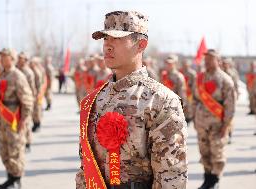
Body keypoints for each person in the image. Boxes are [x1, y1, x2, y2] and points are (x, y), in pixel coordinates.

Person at [76, 11, 188, 189]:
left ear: (141, 44)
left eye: (117, 39)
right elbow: (86, 167)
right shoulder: (95, 100)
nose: (108, 46)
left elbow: (171, 175)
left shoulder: (161, 100)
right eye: (105, 38)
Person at [193, 49, 236, 189]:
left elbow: (230, 105)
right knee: (204, 152)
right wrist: (194, 118)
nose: (207, 61)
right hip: (201, 124)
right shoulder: (199, 78)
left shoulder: (225, 80)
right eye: (206, 59)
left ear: (218, 60)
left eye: (210, 59)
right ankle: (207, 179)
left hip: (217, 124)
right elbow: (194, 99)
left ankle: (215, 180)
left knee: (217, 153)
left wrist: (226, 125)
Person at [0, 48, 33, 189]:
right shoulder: (1, 75)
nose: (2, 59)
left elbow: (27, 100)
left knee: (15, 149)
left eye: (4, 56)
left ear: (11, 58)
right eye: (1, 56)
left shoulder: (18, 76)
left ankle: (16, 179)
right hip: (2, 119)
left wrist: (23, 120)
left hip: (14, 118)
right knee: (4, 149)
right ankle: (10, 177)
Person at [17, 52, 36, 152]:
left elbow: (32, 88)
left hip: (26, 99)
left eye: (21, 58)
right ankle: (20, 141)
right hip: (17, 101)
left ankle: (28, 143)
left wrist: (31, 101)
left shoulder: (28, 72)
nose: (19, 60)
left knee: (27, 122)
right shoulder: (16, 71)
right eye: (18, 58)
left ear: (25, 60)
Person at [30, 57, 45, 132]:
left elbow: (39, 84)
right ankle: (35, 122)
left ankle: (37, 123)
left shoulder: (37, 72)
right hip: (32, 93)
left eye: (32, 63)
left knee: (37, 108)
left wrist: (38, 94)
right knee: (34, 109)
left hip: (37, 93)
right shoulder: (32, 70)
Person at [180, 59, 197, 124]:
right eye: (184, 65)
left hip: (189, 93)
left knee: (189, 106)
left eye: (186, 65)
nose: (185, 66)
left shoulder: (192, 73)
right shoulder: (180, 72)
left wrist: (192, 91)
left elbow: (194, 84)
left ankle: (188, 118)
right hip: (182, 92)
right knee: (182, 106)